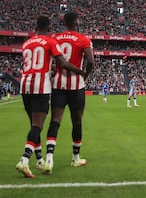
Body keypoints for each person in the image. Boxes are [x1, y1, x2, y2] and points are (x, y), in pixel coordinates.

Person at [16, 16, 85, 178]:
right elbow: (62, 63)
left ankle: (40, 160)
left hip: (25, 85)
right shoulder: (50, 41)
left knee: (34, 125)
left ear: (35, 26)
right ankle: (24, 159)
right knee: (37, 126)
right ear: (48, 28)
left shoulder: (26, 43)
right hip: (42, 87)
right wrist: (80, 72)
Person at [43, 12, 94, 175]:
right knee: (77, 122)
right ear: (75, 22)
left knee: (55, 121)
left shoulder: (55, 37)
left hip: (58, 85)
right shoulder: (83, 39)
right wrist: (85, 74)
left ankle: (49, 158)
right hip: (76, 87)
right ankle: (75, 158)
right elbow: (91, 61)